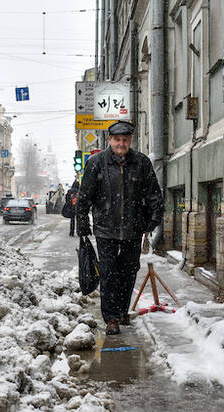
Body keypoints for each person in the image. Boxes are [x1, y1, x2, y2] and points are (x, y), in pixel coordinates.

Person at [75, 121, 163, 335]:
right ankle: (111, 318)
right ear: (110, 140)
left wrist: (154, 218)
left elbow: (153, 193)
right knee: (108, 273)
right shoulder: (97, 163)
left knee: (129, 272)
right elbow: (84, 196)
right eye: (117, 140)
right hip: (106, 229)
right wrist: (83, 224)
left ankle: (122, 311)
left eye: (125, 140)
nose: (121, 144)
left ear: (129, 141)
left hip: (133, 228)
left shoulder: (141, 163)